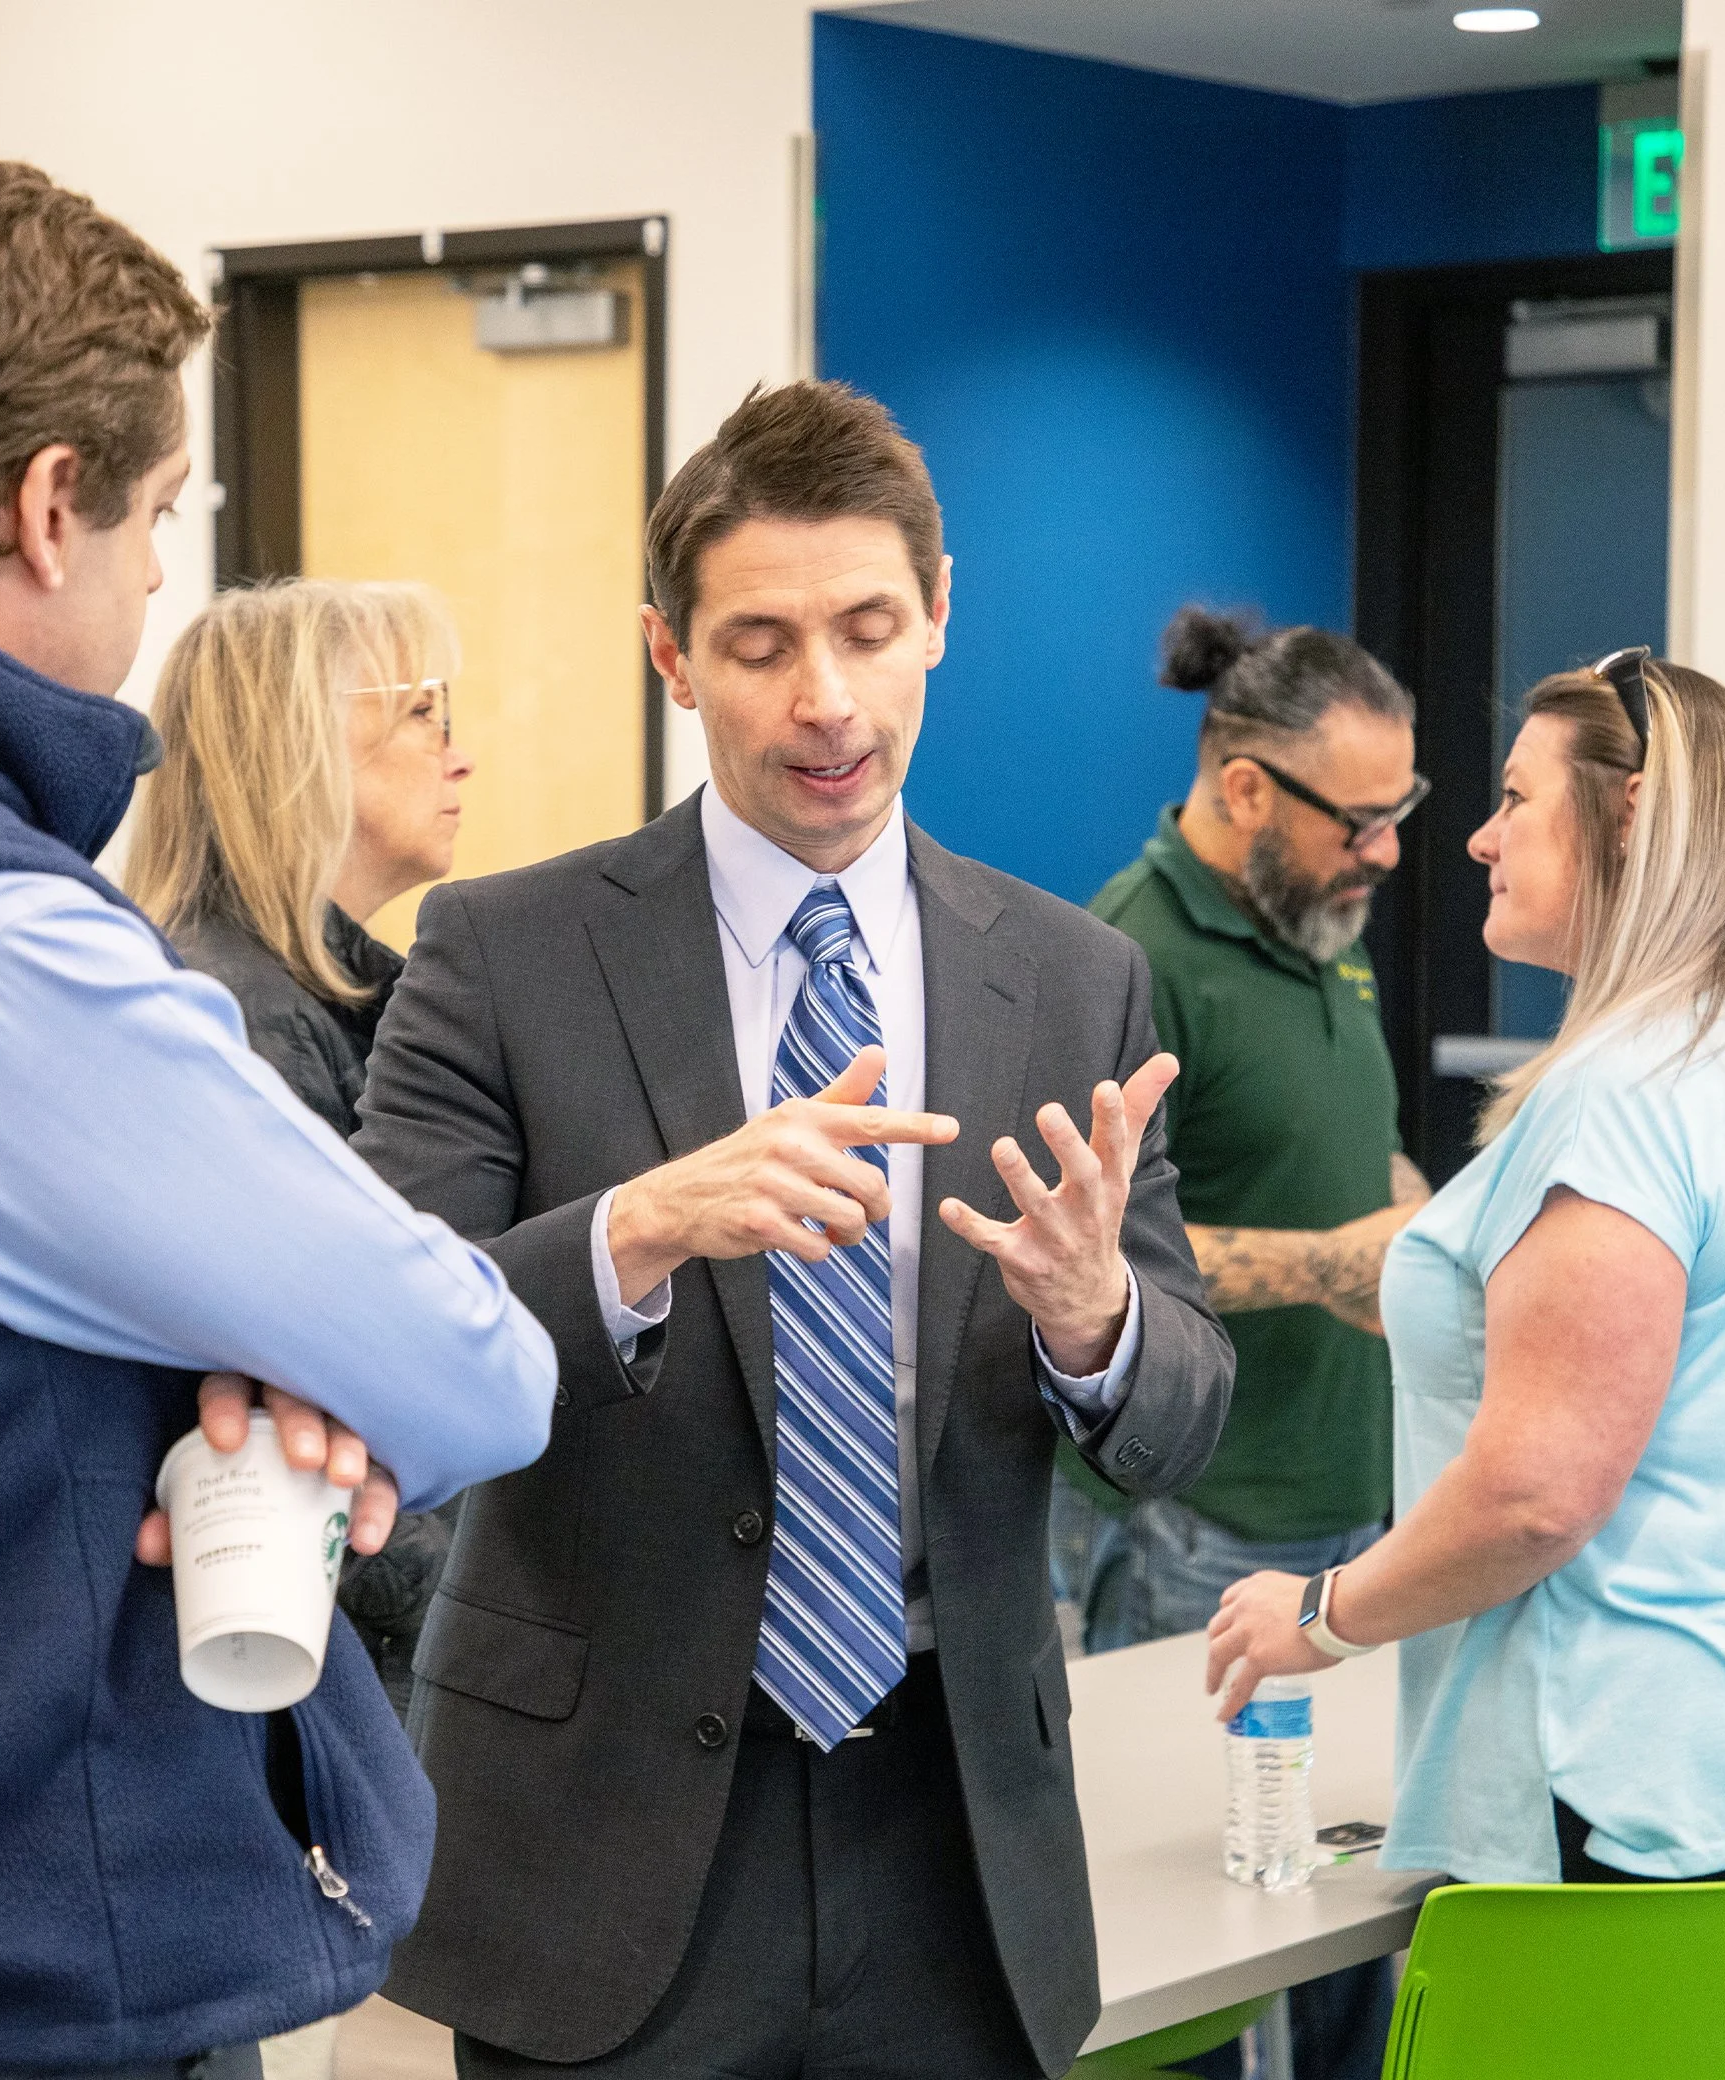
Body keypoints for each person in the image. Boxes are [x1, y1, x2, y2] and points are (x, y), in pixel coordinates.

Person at [0, 150, 555, 2078]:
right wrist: (272, 1391)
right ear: (47, 505)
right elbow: (475, 1365)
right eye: (162, 515)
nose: (164, 580)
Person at [347, 379, 1235, 2079]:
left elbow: (1184, 1411)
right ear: (670, 654)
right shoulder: (507, 955)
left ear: (940, 621)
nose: (823, 701)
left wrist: (1093, 1322)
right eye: (759, 645)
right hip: (607, 1841)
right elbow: (389, 1347)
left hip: (956, 1837)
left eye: (865, 629)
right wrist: (637, 1230)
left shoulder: (1072, 979)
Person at [1209, 649, 1725, 1894]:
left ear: (1629, 816)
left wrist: (1320, 1614)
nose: (1475, 839)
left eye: (1514, 798)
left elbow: (1535, 1494)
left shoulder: (1621, 1095)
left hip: (1612, 1786)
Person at [1071, 607, 1431, 2080]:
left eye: (1405, 813)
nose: (1391, 851)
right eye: (1365, 819)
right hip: (1199, 1532)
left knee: (1357, 1910)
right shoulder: (1127, 957)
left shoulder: (1323, 933)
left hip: (1351, 1527)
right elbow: (1093, 1251)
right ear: (1245, 794)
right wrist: (1338, 1263)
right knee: (1204, 1960)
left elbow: (1368, 1168)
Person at [127, 577, 475, 1719]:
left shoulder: (324, 999)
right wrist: (509, 1641)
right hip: (311, 1681)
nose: (456, 754)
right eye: (422, 711)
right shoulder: (238, 1020)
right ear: (297, 745)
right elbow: (310, 1405)